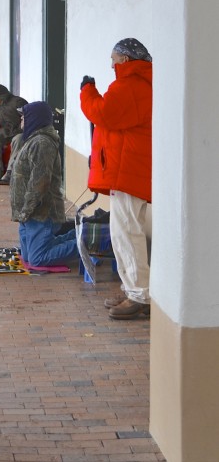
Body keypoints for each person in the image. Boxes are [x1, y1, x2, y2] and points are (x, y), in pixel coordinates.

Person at [80, 37, 153, 320]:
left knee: (127, 233)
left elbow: (103, 113)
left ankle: (139, 295)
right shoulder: (137, 83)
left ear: (124, 59)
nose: (111, 64)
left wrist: (87, 91)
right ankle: (133, 288)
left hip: (129, 170)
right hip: (129, 168)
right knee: (123, 231)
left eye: (114, 58)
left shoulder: (131, 85)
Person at [6, 101, 78, 267]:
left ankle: (85, 242)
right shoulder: (32, 140)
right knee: (28, 256)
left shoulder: (42, 143)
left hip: (40, 212)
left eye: (24, 117)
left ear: (34, 118)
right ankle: (79, 235)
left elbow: (39, 182)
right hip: (28, 213)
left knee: (38, 259)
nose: (21, 120)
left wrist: (27, 210)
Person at [0, 83, 27, 184]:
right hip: (3, 134)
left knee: (18, 139)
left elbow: (28, 118)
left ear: (0, 97)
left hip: (18, 132)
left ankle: (10, 171)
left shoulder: (18, 102)